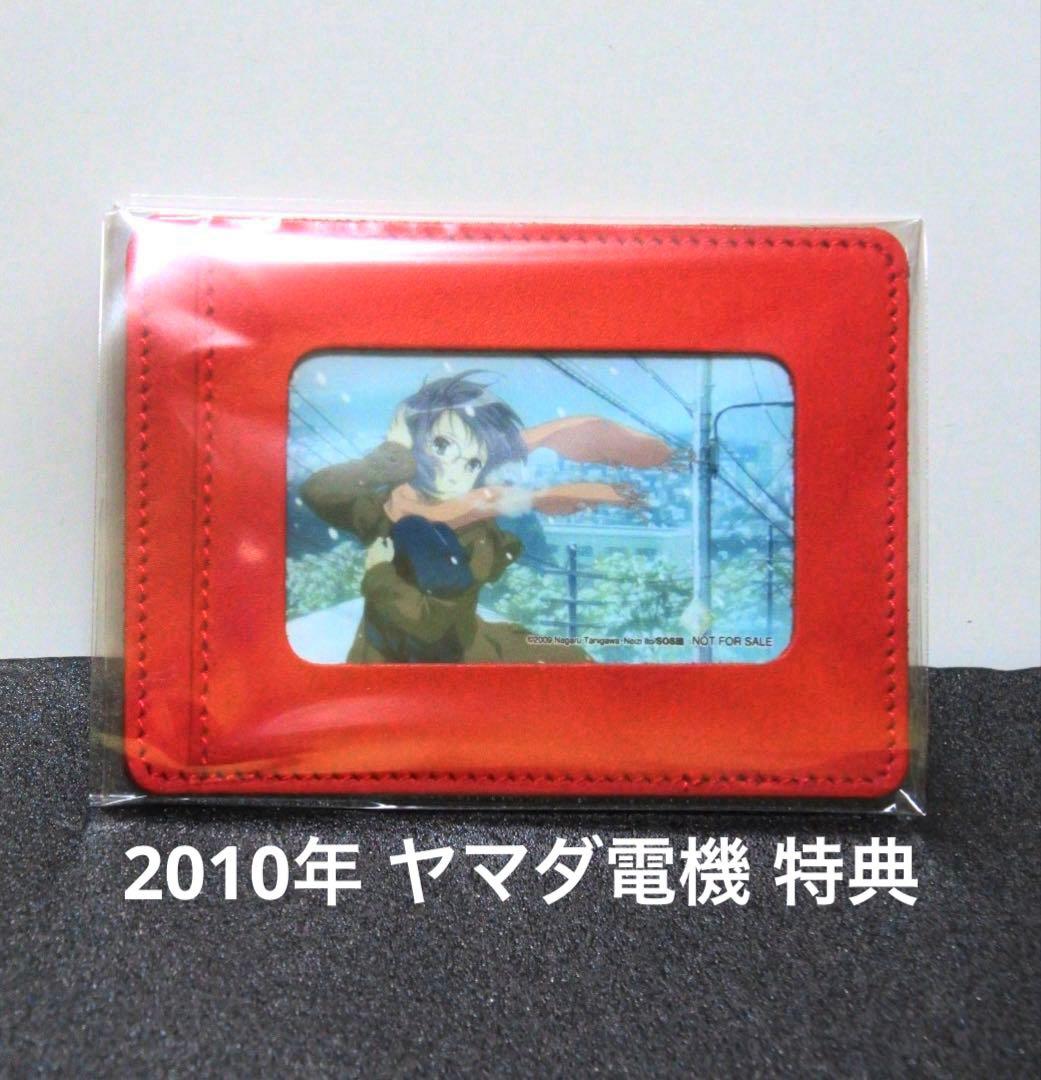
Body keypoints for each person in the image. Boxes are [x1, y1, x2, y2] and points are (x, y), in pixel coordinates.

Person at [300, 372, 675, 663]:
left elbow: (428, 624)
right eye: (442, 446)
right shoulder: (387, 508)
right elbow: (319, 492)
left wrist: (381, 573)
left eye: (472, 463)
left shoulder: (474, 536)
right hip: (379, 666)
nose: (454, 471)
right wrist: (390, 457)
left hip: (455, 670)